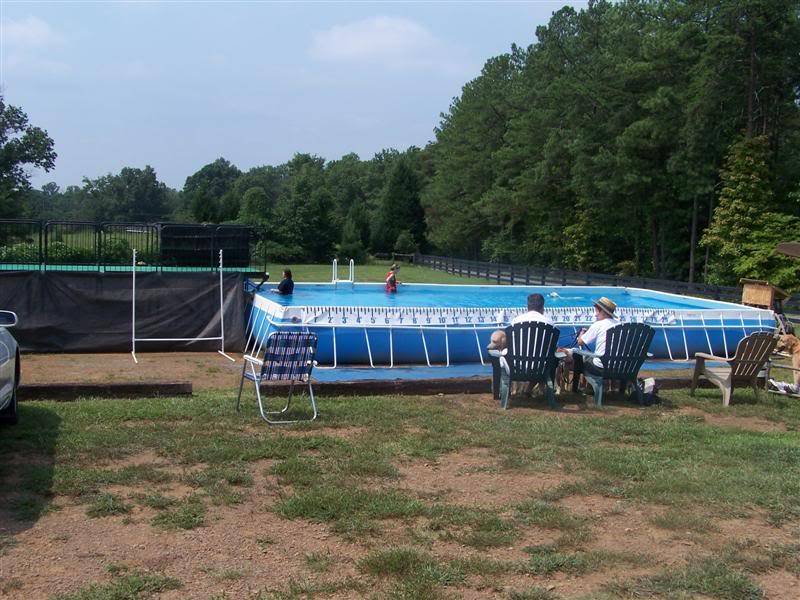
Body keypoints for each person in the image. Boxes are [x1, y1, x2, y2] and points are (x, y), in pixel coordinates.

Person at [488, 293, 552, 351]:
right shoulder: (549, 323)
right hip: (543, 362)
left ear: (528, 306)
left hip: (518, 362)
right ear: (542, 307)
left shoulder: (516, 321)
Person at [573, 296, 619, 374]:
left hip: (600, 367)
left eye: (596, 311)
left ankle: (576, 384)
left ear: (603, 312)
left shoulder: (598, 324)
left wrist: (582, 333)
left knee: (576, 354)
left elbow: (580, 342)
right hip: (618, 366)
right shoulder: (620, 325)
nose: (595, 315)